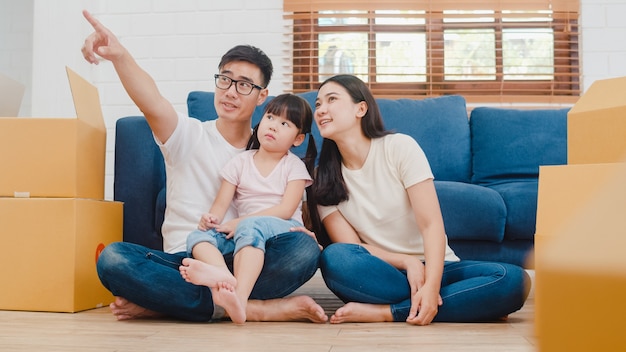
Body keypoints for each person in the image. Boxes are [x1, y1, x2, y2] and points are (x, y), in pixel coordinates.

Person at [80, 10, 327, 323]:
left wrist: (295, 231)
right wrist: (120, 56)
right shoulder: (189, 134)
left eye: (244, 85)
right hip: (186, 260)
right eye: (225, 79)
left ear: (262, 96)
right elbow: (151, 100)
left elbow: (284, 211)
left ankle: (171, 303)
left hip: (248, 257)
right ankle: (254, 309)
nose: (230, 91)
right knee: (113, 259)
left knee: (306, 250)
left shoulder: (273, 149)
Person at [308, 74, 530, 325]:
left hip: (439, 268)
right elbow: (351, 248)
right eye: (317, 104)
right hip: (384, 273)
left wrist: (432, 285)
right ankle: (467, 303)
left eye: (332, 100)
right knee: (335, 258)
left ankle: (389, 312)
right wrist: (406, 261)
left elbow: (431, 224)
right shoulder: (322, 178)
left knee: (513, 280)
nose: (321, 110)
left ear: (361, 108)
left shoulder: (399, 147)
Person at [179, 93, 317, 324]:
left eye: (285, 124)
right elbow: (220, 205)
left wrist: (241, 222)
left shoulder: (293, 166)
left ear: (298, 139)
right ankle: (222, 275)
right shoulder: (240, 162)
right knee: (197, 237)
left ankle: (239, 300)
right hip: (247, 234)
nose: (273, 126)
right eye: (270, 118)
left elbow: (285, 210)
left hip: (284, 229)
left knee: (251, 224)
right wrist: (210, 220)